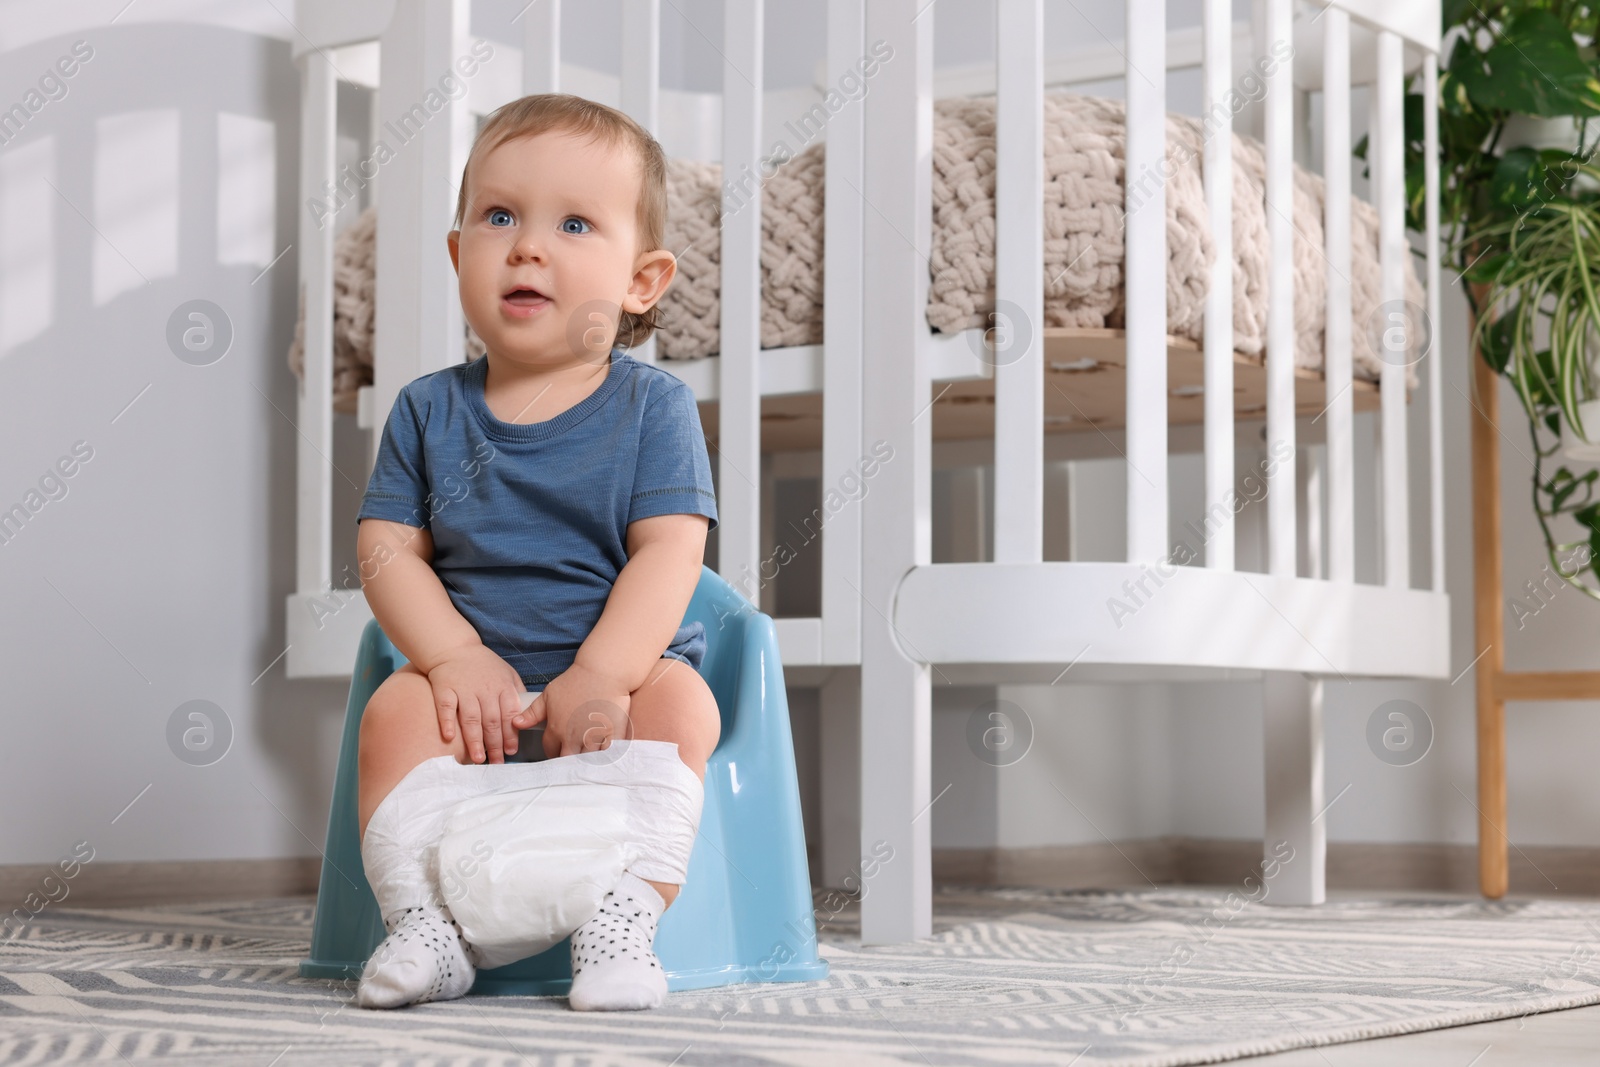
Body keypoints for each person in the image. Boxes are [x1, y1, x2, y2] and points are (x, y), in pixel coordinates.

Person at [350, 93, 720, 1012]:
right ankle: (423, 923)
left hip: (617, 677)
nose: (527, 245)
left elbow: (672, 553)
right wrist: (451, 657)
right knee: (388, 718)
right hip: (470, 685)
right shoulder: (427, 410)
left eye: (575, 223)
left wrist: (603, 672)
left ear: (642, 282)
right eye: (500, 216)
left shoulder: (653, 410)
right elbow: (386, 547)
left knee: (686, 706)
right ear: (457, 253)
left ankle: (624, 917)